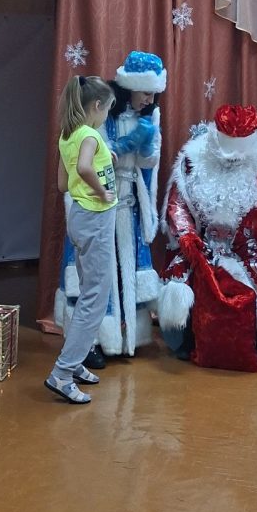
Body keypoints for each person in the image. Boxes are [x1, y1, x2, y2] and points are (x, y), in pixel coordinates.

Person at [157, 104, 257, 372]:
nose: (232, 159)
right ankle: (187, 337)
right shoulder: (192, 158)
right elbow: (177, 204)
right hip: (201, 242)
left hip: (248, 246)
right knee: (181, 277)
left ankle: (253, 341)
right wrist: (186, 235)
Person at [54, 51, 167, 363]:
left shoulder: (149, 117)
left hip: (126, 207)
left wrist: (145, 143)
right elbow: (88, 165)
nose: (150, 99)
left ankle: (127, 336)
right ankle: (89, 344)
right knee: (94, 281)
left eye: (154, 94)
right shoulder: (98, 119)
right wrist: (114, 157)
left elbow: (148, 164)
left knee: (118, 273)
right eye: (145, 93)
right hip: (98, 207)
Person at [45, 75, 117, 404]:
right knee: (94, 298)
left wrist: (105, 159)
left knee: (91, 293)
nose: (107, 116)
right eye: (107, 110)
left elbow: (63, 184)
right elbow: (86, 168)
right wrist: (101, 191)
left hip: (80, 218)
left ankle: (74, 362)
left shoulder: (69, 134)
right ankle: (62, 372)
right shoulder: (89, 134)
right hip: (95, 219)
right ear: (97, 106)